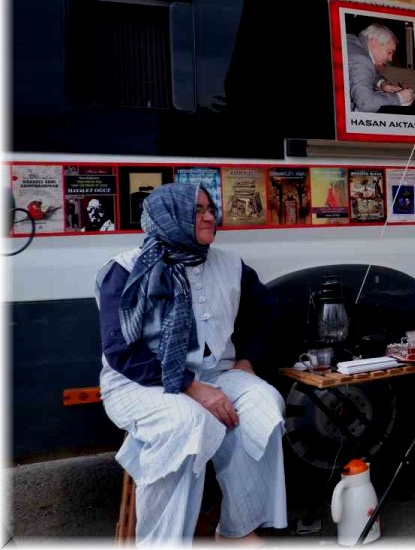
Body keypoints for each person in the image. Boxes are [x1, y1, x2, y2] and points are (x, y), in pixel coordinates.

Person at [96, 183, 288, 543]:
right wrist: (190, 386)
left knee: (264, 406)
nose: (209, 216)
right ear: (169, 217)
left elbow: (268, 313)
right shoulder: (124, 271)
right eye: (197, 210)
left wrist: (248, 360)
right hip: (141, 383)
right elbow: (120, 350)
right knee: (186, 423)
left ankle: (238, 531)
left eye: (210, 208)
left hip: (217, 372)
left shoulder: (230, 263)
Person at [345, 23, 415, 114]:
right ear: (374, 42)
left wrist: (383, 84)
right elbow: (365, 104)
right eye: (389, 52)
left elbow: (369, 70)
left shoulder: (353, 41)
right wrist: (399, 98)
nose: (390, 59)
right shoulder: (361, 60)